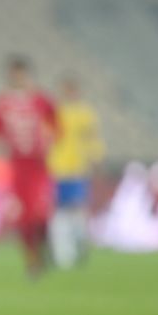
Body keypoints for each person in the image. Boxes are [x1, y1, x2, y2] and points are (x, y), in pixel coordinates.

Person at [0, 56, 56, 277]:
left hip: (39, 164)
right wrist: (1, 153)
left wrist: (48, 141)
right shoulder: (2, 102)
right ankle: (32, 260)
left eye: (21, 74)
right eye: (14, 74)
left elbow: (55, 125)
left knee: (42, 213)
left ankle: (44, 245)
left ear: (27, 74)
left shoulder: (41, 100)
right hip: (18, 166)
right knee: (24, 216)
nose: (18, 78)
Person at [46, 75, 104, 268]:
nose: (68, 93)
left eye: (71, 89)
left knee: (77, 209)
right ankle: (64, 253)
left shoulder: (85, 113)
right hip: (57, 168)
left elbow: (92, 137)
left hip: (78, 167)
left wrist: (95, 157)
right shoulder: (55, 113)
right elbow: (46, 138)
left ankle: (80, 244)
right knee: (60, 211)